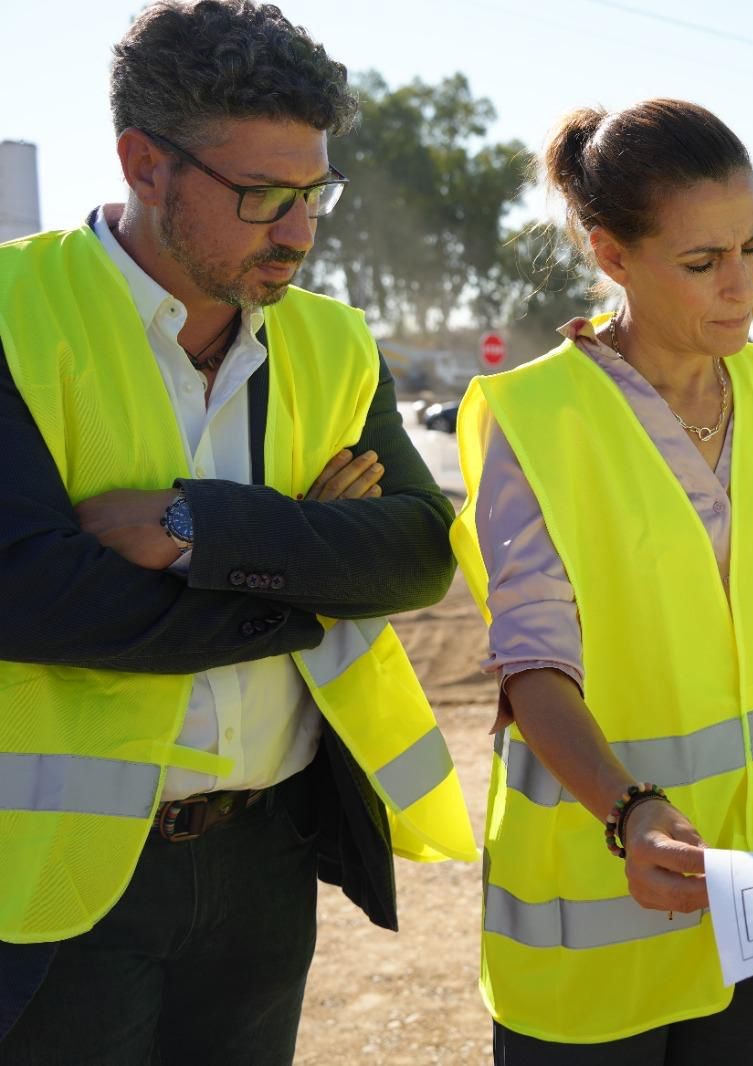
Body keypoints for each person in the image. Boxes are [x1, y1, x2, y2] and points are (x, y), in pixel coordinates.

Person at [0, 3, 476, 1063]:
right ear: (144, 164)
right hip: (48, 886)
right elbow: (31, 590)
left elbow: (412, 551)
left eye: (314, 193)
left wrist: (192, 528)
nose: (298, 231)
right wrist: (306, 565)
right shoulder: (9, 312)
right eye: (260, 196)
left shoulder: (334, 339)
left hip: (267, 858)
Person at [450, 99, 753, 1066]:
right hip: (596, 916)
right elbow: (531, 668)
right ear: (611, 253)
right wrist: (627, 812)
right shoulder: (535, 415)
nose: (741, 288)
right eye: (702, 262)